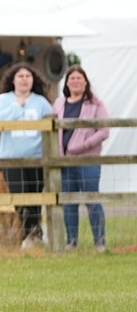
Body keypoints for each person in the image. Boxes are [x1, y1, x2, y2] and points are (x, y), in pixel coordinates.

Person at [0, 63, 53, 248]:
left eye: (28, 76)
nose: (24, 80)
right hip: (11, 157)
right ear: (12, 80)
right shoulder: (3, 100)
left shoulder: (40, 102)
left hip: (36, 156)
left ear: (34, 80)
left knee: (35, 195)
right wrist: (17, 107)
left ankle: (36, 232)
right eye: (20, 76)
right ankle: (28, 234)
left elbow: (51, 123)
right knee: (19, 195)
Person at [52, 65, 110, 251]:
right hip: (64, 161)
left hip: (88, 161)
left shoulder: (95, 104)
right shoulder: (59, 104)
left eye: (79, 78)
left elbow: (104, 131)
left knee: (91, 200)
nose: (75, 81)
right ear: (66, 83)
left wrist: (81, 146)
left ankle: (99, 242)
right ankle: (72, 241)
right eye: (72, 79)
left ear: (86, 82)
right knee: (69, 202)